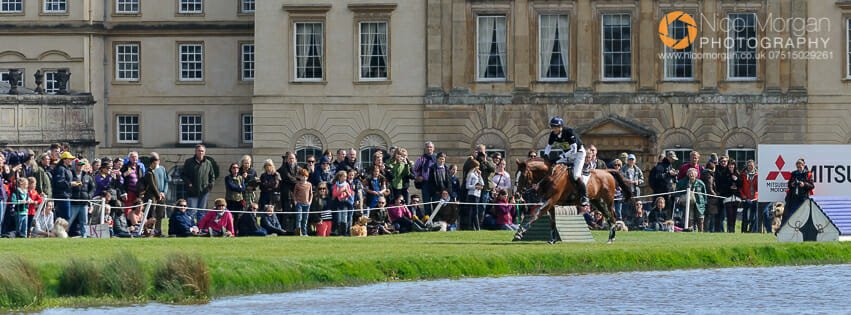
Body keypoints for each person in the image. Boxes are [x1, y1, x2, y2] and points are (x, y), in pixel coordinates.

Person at [544, 116, 588, 205]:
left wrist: (559, 157)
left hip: (578, 154)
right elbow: (548, 147)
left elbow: (573, 150)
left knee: (576, 175)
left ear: (561, 127)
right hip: (567, 155)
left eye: (556, 127)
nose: (554, 129)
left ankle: (584, 196)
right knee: (556, 169)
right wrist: (545, 155)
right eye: (552, 126)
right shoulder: (553, 134)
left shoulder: (569, 132)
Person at [181, 144, 217, 224]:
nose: (200, 152)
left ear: (204, 152)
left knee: (202, 213)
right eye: (199, 151)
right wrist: (189, 184)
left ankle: (200, 229)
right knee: (192, 212)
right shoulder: (189, 162)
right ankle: (190, 228)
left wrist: (210, 187)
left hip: (204, 192)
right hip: (192, 192)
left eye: (202, 151)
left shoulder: (208, 163)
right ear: (195, 151)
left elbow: (212, 176)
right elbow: (183, 175)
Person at [783, 158, 814, 227]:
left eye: (800, 167)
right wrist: (792, 184)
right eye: (797, 167)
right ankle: (791, 228)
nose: (799, 168)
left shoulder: (808, 174)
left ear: (803, 165)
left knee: (803, 215)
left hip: (804, 198)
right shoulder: (794, 173)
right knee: (792, 214)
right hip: (794, 198)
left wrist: (804, 184)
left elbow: (812, 186)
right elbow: (789, 184)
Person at [146, 152, 169, 236]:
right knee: (152, 214)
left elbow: (166, 181)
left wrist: (164, 192)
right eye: (155, 160)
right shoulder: (149, 170)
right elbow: (151, 185)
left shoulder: (162, 169)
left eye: (158, 159)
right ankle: (150, 231)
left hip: (162, 195)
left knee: (160, 214)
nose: (157, 161)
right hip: (153, 195)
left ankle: (158, 231)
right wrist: (158, 194)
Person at [70, 159, 95, 237]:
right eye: (78, 165)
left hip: (84, 203)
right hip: (73, 202)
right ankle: (64, 235)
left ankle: (84, 236)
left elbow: (93, 188)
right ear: (74, 165)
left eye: (81, 165)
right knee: (69, 220)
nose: (80, 166)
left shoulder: (87, 176)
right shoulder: (70, 174)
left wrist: (89, 196)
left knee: (84, 221)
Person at [716, 157, 742, 233]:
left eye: (732, 165)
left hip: (736, 197)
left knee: (734, 215)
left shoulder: (737, 173)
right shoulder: (724, 174)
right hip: (728, 197)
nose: (731, 167)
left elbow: (741, 184)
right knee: (729, 215)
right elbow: (721, 185)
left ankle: (733, 230)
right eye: (730, 165)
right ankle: (729, 229)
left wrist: (736, 180)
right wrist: (729, 186)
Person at [649, 151, 678, 216]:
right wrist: (668, 173)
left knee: (668, 209)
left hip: (668, 191)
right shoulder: (661, 166)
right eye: (672, 158)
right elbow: (658, 176)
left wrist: (674, 175)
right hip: (661, 192)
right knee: (659, 208)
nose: (673, 160)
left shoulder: (669, 165)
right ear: (668, 157)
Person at [51, 151, 75, 229]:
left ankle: (61, 232)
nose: (71, 160)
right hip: (62, 196)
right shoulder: (61, 169)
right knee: (65, 216)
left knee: (66, 216)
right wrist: (71, 184)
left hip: (66, 195)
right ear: (64, 160)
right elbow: (59, 182)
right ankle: (60, 232)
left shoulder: (67, 169)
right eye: (69, 159)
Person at [277, 152, 299, 231]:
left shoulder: (298, 168)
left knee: (296, 213)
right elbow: (289, 178)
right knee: (287, 213)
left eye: (293, 158)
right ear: (286, 160)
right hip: (287, 195)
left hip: (297, 195)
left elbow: (302, 176)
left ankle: (295, 229)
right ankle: (286, 230)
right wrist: (298, 180)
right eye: (290, 158)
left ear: (295, 160)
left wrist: (298, 179)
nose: (291, 160)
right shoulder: (283, 168)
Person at [413, 141, 437, 213]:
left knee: (436, 202)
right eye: (427, 147)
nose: (429, 148)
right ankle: (428, 220)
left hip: (435, 184)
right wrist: (418, 177)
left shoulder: (436, 159)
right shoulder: (421, 159)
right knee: (426, 203)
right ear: (425, 148)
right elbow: (414, 170)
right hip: (425, 183)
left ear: (433, 148)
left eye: (430, 147)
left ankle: (435, 220)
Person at [330, 170, 354, 236]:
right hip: (338, 203)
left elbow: (350, 195)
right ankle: (339, 233)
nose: (345, 178)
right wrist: (342, 191)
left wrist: (346, 192)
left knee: (344, 219)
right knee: (339, 219)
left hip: (345, 203)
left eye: (346, 176)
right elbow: (334, 194)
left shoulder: (347, 184)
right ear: (340, 177)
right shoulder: (336, 185)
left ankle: (345, 233)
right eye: (344, 176)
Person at [620, 154, 644, 219]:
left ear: (635, 161)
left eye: (632, 160)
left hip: (636, 191)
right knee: (626, 206)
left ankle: (636, 220)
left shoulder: (637, 169)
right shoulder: (623, 169)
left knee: (636, 206)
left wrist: (638, 181)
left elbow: (642, 179)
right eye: (630, 159)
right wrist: (628, 181)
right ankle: (626, 220)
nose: (631, 161)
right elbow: (621, 178)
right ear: (627, 160)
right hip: (626, 191)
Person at [702, 159, 722, 232]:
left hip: (706, 197)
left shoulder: (703, 173)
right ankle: (709, 230)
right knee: (710, 216)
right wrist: (716, 195)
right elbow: (709, 188)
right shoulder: (709, 175)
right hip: (711, 199)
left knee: (707, 216)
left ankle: (707, 230)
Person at [739, 159, 759, 233]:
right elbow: (740, 187)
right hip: (746, 198)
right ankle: (743, 230)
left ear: (754, 166)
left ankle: (751, 231)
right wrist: (743, 196)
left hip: (755, 198)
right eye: (749, 165)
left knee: (753, 216)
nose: (750, 167)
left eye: (751, 165)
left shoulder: (758, 175)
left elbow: (759, 188)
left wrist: (756, 197)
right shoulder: (743, 175)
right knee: (745, 216)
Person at [465, 159, 484, 231]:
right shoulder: (470, 174)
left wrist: (480, 175)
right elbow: (467, 186)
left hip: (477, 195)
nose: (478, 168)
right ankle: (476, 227)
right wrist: (475, 186)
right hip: (472, 195)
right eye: (477, 166)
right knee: (474, 211)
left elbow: (482, 183)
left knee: (476, 211)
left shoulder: (476, 174)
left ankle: (474, 227)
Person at [293, 168, 313, 236]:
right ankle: (298, 233)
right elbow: (294, 194)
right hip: (299, 204)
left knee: (305, 219)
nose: (304, 177)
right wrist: (295, 201)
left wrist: (310, 202)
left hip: (307, 204)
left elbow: (311, 194)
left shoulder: (309, 184)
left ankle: (304, 233)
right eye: (302, 176)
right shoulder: (297, 185)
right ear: (300, 177)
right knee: (299, 218)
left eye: (305, 176)